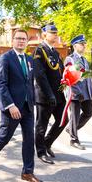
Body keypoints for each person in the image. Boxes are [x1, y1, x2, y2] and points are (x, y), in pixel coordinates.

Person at [0, 29, 44, 182]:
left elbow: (30, 83)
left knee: (29, 139)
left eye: (24, 39)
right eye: (18, 38)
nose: (21, 41)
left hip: (28, 107)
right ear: (13, 41)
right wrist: (10, 105)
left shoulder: (30, 60)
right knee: (5, 137)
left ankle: (27, 172)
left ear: (26, 42)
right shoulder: (5, 58)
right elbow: (1, 84)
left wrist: (33, 101)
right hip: (12, 107)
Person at [32, 24, 67, 164]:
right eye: (52, 33)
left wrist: (66, 84)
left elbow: (62, 73)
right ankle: (41, 152)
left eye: (56, 33)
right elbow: (39, 75)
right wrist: (49, 94)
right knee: (42, 125)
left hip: (58, 94)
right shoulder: (39, 51)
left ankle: (47, 143)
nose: (55, 35)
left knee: (63, 120)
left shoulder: (55, 52)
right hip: (45, 96)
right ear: (44, 34)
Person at [64, 34, 92, 150]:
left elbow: (86, 78)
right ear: (75, 46)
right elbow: (70, 78)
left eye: (84, 44)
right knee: (75, 116)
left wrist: (91, 92)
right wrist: (76, 92)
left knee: (89, 112)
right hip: (75, 93)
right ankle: (73, 139)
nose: (84, 46)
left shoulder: (84, 60)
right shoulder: (70, 59)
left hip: (86, 93)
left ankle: (71, 128)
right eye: (82, 44)